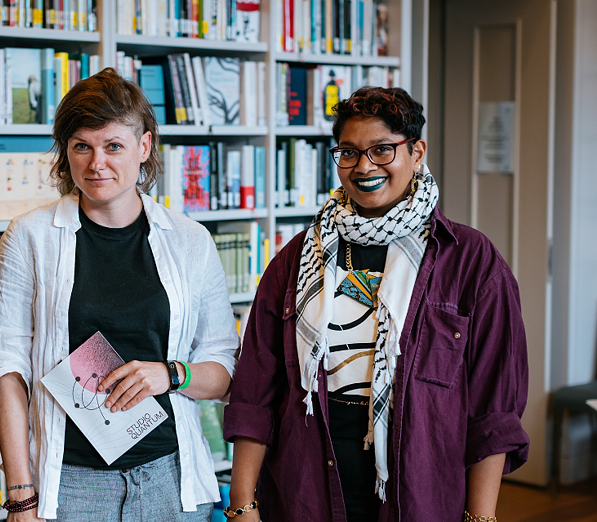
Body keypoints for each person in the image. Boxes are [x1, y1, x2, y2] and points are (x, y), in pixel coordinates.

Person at [223, 87, 529, 522]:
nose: (364, 167)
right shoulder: (296, 259)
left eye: (382, 150)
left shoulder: (471, 261)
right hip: (304, 491)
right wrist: (242, 505)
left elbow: (493, 410)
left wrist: (480, 518)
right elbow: (256, 391)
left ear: (416, 152)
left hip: (420, 494)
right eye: (348, 152)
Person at [0, 67, 239, 521]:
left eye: (113, 146)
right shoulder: (30, 236)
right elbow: (5, 366)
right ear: (66, 152)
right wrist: (21, 494)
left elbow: (224, 371)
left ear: (144, 147)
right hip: (71, 483)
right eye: (82, 146)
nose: (97, 163)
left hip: (171, 481)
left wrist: (170, 374)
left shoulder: (190, 239)